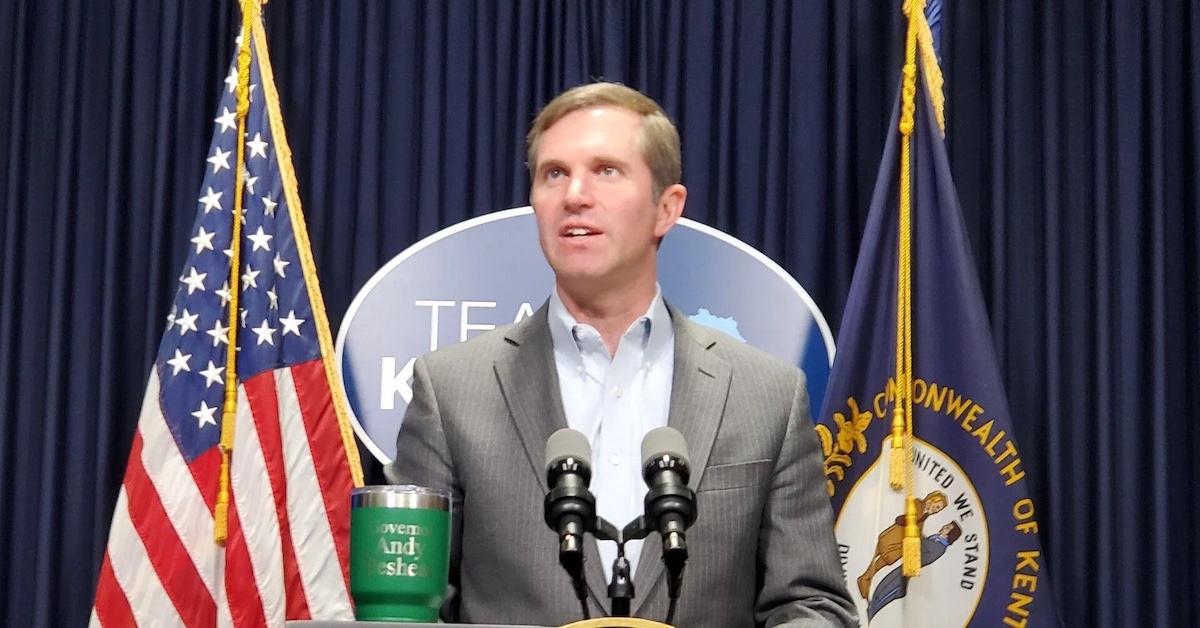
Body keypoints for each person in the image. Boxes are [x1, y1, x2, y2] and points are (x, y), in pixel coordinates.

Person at [386, 81, 856, 627]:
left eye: (606, 170)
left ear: (666, 208)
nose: (574, 195)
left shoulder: (766, 395)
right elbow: (407, 610)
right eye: (553, 173)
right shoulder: (451, 390)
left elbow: (811, 604)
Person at [856, 491, 948, 599]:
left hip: (900, 543)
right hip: (894, 535)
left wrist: (922, 539)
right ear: (931, 500)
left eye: (938, 509)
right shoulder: (916, 504)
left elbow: (918, 529)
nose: (936, 510)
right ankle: (865, 579)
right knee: (877, 554)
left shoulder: (925, 514)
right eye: (937, 506)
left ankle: (866, 578)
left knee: (883, 561)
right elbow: (902, 519)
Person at [865, 521, 963, 620]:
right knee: (885, 584)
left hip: (909, 569)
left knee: (889, 589)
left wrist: (915, 530)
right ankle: (872, 605)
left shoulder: (940, 547)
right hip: (907, 565)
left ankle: (873, 611)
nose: (944, 526)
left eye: (947, 527)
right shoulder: (937, 539)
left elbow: (922, 543)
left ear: (949, 535)